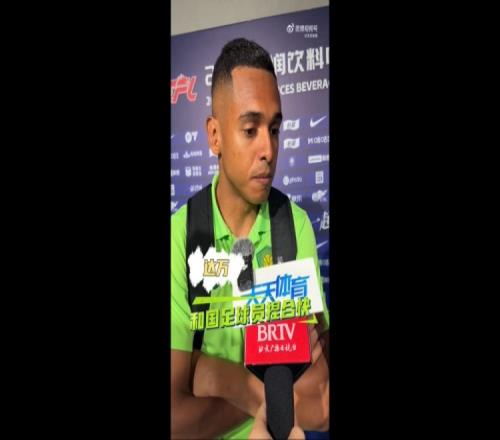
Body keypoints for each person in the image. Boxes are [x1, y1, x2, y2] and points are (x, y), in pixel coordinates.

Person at [171, 38, 330, 439]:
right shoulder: (179, 236)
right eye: (250, 129)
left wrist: (213, 375)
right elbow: (173, 418)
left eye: (274, 129)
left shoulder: (294, 226)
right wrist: (269, 392)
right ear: (215, 135)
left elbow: (319, 403)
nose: (268, 149)